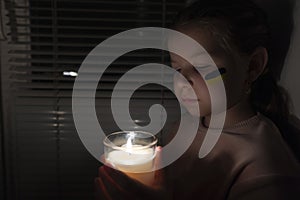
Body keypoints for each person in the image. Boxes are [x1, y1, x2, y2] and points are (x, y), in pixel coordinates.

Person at [95, 0, 300, 199]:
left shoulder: (265, 163)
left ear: (253, 66)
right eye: (177, 68)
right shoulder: (184, 127)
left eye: (203, 67)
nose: (183, 81)